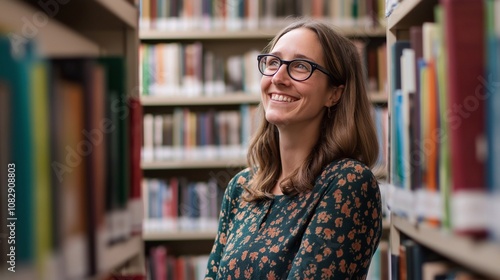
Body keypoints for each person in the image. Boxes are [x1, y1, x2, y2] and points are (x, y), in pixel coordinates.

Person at [205, 18, 382, 280]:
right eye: (273, 62)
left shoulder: (348, 182)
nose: (278, 78)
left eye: (300, 66)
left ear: (334, 93)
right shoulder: (242, 186)